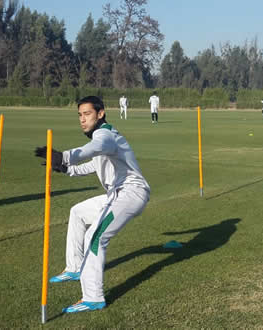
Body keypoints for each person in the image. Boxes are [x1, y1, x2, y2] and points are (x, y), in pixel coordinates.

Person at [35, 95, 150, 313]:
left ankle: (93, 297)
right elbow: (90, 165)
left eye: (87, 114)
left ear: (100, 113)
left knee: (95, 236)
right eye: (80, 115)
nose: (82, 119)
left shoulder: (105, 135)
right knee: (77, 212)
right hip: (116, 194)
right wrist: (65, 167)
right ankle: (75, 267)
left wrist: (64, 156)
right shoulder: (101, 142)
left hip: (131, 193)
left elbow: (92, 148)